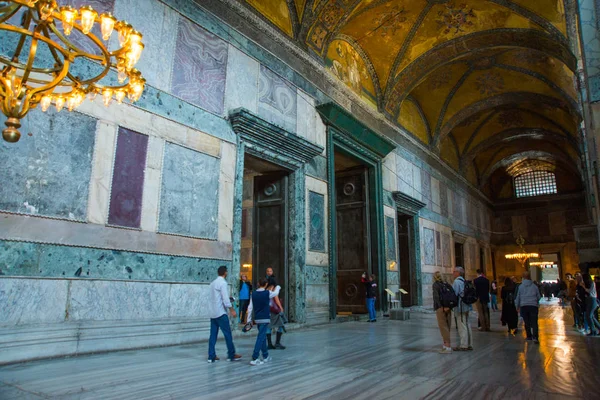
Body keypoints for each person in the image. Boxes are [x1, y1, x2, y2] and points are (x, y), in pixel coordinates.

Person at [208, 266, 242, 363]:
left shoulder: (212, 283)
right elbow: (225, 300)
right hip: (221, 313)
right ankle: (231, 355)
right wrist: (232, 310)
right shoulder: (222, 283)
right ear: (225, 272)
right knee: (227, 334)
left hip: (213, 312)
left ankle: (211, 356)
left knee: (213, 335)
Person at [245, 278, 272, 366]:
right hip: (265, 318)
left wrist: (249, 320)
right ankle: (255, 357)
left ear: (258, 283)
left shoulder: (254, 294)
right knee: (261, 337)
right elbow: (276, 293)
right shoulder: (267, 293)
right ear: (266, 284)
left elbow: (250, 307)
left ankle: (265, 356)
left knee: (262, 336)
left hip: (257, 319)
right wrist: (278, 287)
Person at [515, 270, 541, 343]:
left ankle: (529, 336)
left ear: (523, 277)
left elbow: (518, 297)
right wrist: (535, 301)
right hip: (533, 306)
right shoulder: (534, 286)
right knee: (534, 322)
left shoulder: (520, 286)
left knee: (526, 322)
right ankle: (535, 337)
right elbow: (539, 296)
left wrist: (517, 306)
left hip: (524, 306)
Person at [452, 267, 473, 351]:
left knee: (461, 325)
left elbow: (454, 294)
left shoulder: (457, 282)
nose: (453, 273)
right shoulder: (464, 281)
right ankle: (469, 344)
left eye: (454, 271)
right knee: (467, 324)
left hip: (460, 307)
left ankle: (464, 345)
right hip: (467, 306)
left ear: (458, 273)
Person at [432, 271, 452, 353]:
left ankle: (447, 347)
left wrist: (441, 307)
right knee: (447, 326)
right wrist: (448, 306)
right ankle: (446, 345)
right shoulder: (447, 284)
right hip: (449, 307)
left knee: (443, 327)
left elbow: (436, 297)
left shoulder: (436, 285)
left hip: (441, 308)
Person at [266, 278, 286, 349]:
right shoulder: (273, 291)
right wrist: (280, 308)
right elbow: (276, 299)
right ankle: (277, 342)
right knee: (280, 325)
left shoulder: (264, 291)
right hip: (274, 312)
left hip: (267, 311)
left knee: (269, 327)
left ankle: (269, 344)